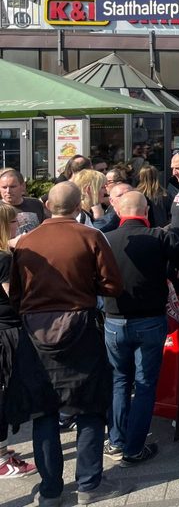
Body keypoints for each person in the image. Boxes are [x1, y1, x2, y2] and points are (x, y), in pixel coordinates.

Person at [7, 182, 125, 506]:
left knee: (44, 411)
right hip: (81, 328)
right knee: (89, 407)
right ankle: (89, 484)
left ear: (46, 205)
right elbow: (113, 285)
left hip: (36, 332)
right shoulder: (90, 236)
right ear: (79, 206)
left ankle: (50, 491)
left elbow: (15, 294)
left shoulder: (26, 241)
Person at [102, 191, 179, 466]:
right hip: (150, 320)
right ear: (146, 211)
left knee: (119, 381)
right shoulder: (160, 237)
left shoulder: (104, 239)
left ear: (119, 212)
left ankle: (116, 440)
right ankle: (133, 448)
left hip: (114, 320)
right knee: (144, 384)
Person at [0, 202, 36, 478]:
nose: (18, 226)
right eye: (13, 222)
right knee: (4, 394)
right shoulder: (4, 259)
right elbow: (14, 297)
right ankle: (2, 461)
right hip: (6, 331)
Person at [0, 168, 46, 235]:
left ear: (23, 186)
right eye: (4, 187)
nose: (8, 191)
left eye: (12, 187)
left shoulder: (35, 204)